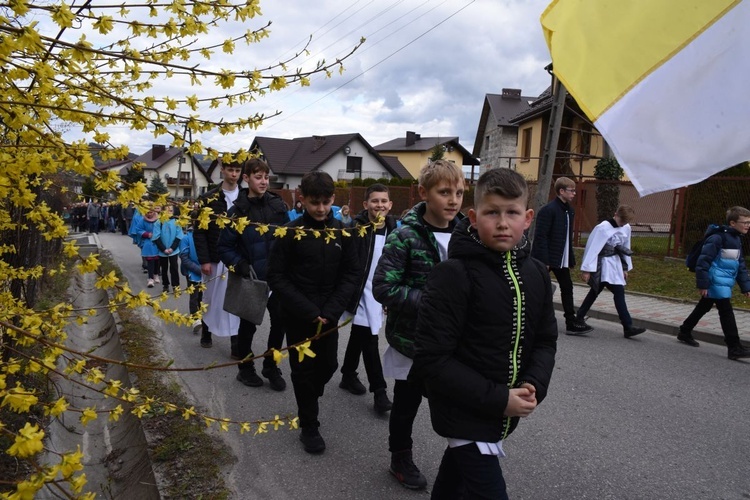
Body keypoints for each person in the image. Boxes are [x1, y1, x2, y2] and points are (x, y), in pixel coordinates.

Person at [411, 167, 558, 500]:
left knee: (452, 485)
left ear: (528, 217)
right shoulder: (453, 275)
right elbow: (431, 359)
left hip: (500, 415)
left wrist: (533, 384)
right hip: (463, 412)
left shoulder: (536, 274)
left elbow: (545, 339)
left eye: (512, 213)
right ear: (474, 218)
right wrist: (499, 398)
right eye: (492, 212)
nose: (503, 222)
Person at [372, 159, 465, 490]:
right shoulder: (405, 236)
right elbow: (383, 287)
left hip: (454, 343)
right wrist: (429, 303)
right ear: (424, 193)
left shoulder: (468, 235)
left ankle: (462, 463)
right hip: (413, 341)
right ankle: (400, 457)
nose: (453, 200)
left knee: (456, 405)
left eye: (459, 192)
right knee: (406, 405)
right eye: (444, 192)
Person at [267, 171, 360, 454]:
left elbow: (351, 273)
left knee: (329, 365)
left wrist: (331, 310)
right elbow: (277, 276)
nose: (320, 208)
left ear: (333, 199)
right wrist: (308, 311)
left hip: (329, 315)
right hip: (298, 316)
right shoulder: (290, 233)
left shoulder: (343, 232)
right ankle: (309, 425)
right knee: (302, 371)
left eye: (325, 202)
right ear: (302, 199)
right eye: (314, 202)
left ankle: (309, 397)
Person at [218, 158, 290, 391]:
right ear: (246, 178)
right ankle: (245, 368)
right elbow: (224, 247)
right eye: (258, 177)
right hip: (251, 278)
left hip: (277, 277)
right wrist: (238, 264)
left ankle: (271, 364)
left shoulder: (278, 206)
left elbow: (288, 237)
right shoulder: (237, 211)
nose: (263, 181)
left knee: (280, 323)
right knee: (247, 326)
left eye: (266, 177)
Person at [340, 183, 396, 414]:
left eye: (384, 201)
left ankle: (347, 373)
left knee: (360, 334)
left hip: (380, 292)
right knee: (370, 338)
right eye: (375, 201)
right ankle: (380, 392)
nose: (379, 205)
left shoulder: (395, 230)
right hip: (361, 291)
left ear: (390, 205)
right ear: (366, 205)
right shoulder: (356, 228)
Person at [677, 206, 750, 360]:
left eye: (749, 222)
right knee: (726, 311)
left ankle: (685, 330)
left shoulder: (736, 239)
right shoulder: (717, 238)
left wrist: (746, 286)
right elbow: (703, 262)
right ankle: (734, 347)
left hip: (723, 281)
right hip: (715, 281)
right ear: (732, 223)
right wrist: (703, 284)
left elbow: (740, 264)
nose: (747, 225)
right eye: (744, 222)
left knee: (704, 305)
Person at [574, 205, 646, 338]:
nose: (623, 225)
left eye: (625, 222)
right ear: (615, 214)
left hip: (615, 265)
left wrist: (624, 268)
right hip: (602, 264)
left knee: (612, 292)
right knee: (597, 291)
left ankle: (627, 326)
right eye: (622, 221)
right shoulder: (603, 227)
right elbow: (593, 248)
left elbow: (625, 246)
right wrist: (587, 270)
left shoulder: (626, 227)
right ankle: (627, 326)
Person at [531, 177, 592, 334]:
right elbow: (541, 236)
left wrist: (569, 258)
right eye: (571, 190)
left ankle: (571, 323)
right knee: (537, 288)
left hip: (560, 258)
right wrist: (544, 260)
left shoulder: (569, 211)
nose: (574, 193)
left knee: (567, 287)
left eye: (574, 190)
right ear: (561, 191)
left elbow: (566, 238)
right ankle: (529, 318)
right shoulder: (548, 210)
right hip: (547, 259)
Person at [193, 161, 243, 350]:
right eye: (231, 170)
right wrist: (204, 259)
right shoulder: (209, 198)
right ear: (223, 170)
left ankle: (235, 340)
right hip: (214, 257)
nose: (234, 174)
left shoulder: (244, 197)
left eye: (237, 170)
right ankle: (207, 332)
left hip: (236, 257)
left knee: (234, 299)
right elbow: (199, 231)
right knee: (210, 298)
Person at [153, 204, 184, 294]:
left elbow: (179, 236)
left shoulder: (176, 222)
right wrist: (163, 249)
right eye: (166, 210)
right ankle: (165, 285)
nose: (168, 212)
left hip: (173, 251)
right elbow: (156, 237)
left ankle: (176, 286)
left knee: (174, 268)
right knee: (164, 268)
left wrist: (172, 248)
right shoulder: (159, 222)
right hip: (163, 251)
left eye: (170, 210)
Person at [179, 227, 204, 335]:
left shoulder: (205, 235)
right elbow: (184, 258)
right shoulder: (186, 238)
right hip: (193, 271)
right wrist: (199, 270)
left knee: (202, 296)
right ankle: (195, 320)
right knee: (194, 296)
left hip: (206, 271)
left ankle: (202, 316)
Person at [132, 206, 161, 288]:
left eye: (151, 212)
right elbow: (138, 229)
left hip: (157, 241)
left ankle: (156, 274)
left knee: (157, 260)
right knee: (150, 260)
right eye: (147, 213)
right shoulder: (143, 220)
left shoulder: (158, 219)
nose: (149, 214)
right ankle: (150, 278)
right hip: (148, 242)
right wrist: (147, 234)